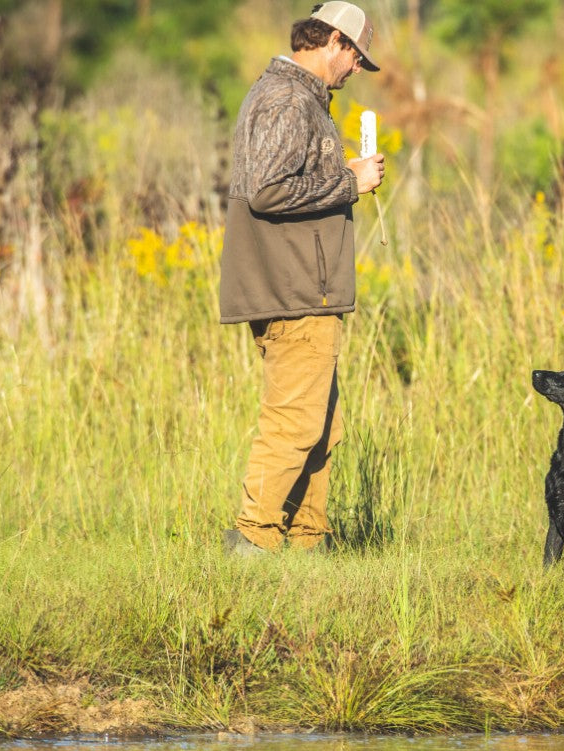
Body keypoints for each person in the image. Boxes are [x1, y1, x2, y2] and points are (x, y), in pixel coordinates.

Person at [219, 2, 385, 554]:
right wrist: (348, 181)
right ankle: (254, 542)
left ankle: (308, 543)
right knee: (294, 423)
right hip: (294, 290)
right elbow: (268, 192)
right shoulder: (289, 99)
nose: (358, 69)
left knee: (322, 425)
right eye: (357, 56)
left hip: (299, 287)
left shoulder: (290, 96)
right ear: (334, 41)